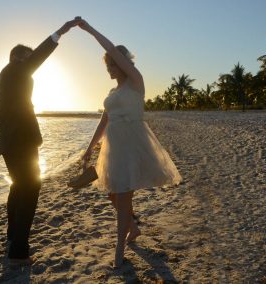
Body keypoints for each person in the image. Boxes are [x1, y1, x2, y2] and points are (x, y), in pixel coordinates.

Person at [78, 19, 182, 268]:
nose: (110, 68)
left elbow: (112, 48)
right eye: (108, 65)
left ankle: (119, 251)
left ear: (124, 63)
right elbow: (104, 121)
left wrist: (90, 30)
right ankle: (133, 228)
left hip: (132, 146)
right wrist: (89, 148)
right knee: (114, 195)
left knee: (123, 198)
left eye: (113, 63)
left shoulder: (136, 81)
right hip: (113, 149)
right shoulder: (113, 93)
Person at [0, 18, 81, 265]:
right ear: (17, 59)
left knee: (18, 188)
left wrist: (6, 138)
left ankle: (12, 238)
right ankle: (19, 252)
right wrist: (60, 32)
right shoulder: (15, 72)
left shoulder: (4, 82)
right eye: (27, 59)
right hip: (20, 143)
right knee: (30, 190)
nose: (31, 65)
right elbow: (37, 57)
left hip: (11, 143)